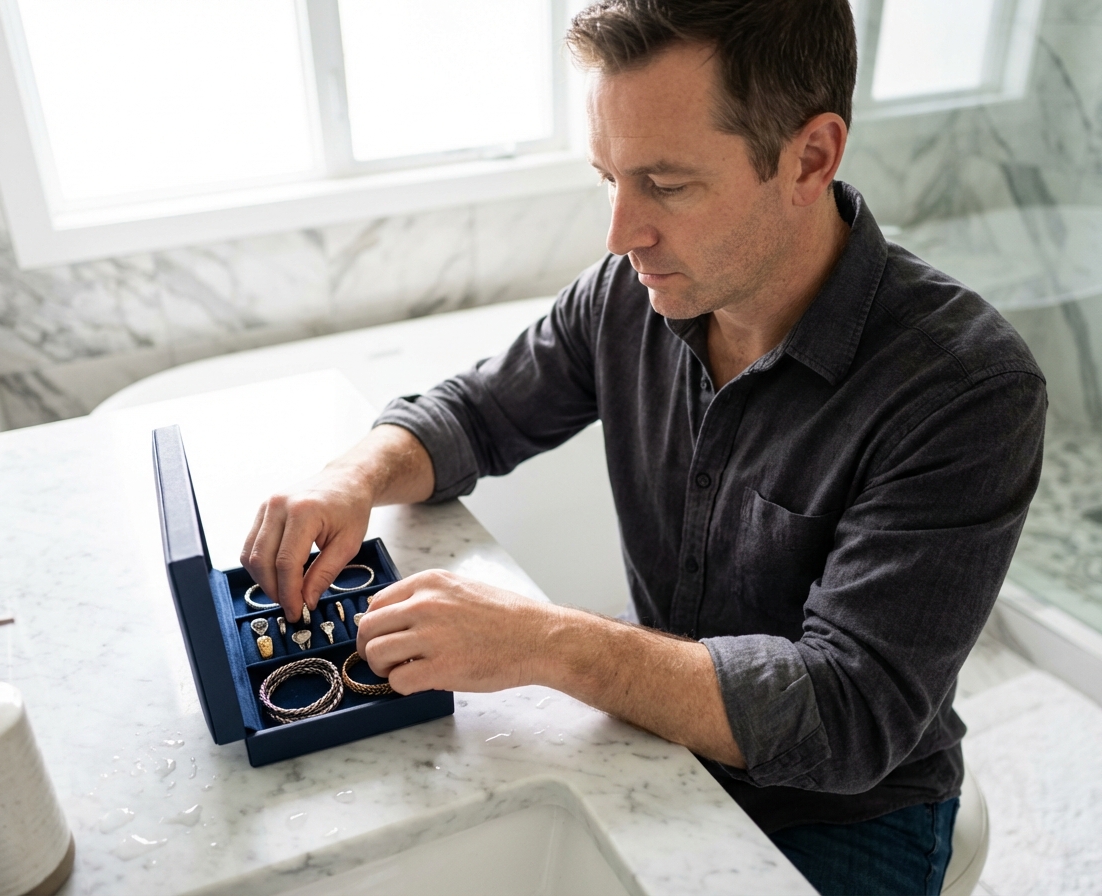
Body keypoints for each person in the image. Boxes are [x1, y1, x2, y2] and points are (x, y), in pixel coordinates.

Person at [242, 2, 1046, 893]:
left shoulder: (967, 387)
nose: (621, 233)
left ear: (810, 158)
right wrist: (352, 475)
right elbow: (475, 413)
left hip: (848, 813)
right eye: (608, 176)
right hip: (655, 740)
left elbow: (847, 715)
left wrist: (546, 642)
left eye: (665, 183)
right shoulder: (631, 295)